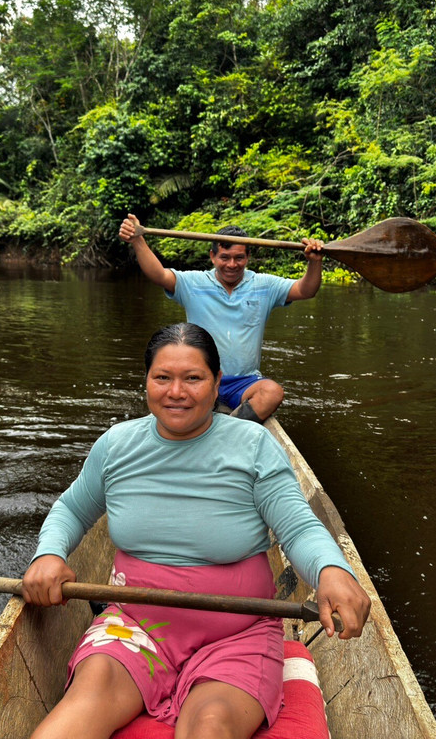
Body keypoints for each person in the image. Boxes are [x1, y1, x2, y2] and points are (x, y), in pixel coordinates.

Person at [22, 322, 371, 739]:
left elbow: (297, 528)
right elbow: (72, 510)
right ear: (146, 381)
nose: (176, 392)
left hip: (237, 632)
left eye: (193, 378)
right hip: (135, 624)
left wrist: (332, 570)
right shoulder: (116, 446)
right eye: (162, 377)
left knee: (210, 727)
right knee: (74, 716)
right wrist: (49, 554)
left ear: (217, 382)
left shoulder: (253, 446)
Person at [119, 213, 324, 423]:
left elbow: (305, 290)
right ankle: (216, 422)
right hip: (201, 378)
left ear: (248, 257)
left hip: (244, 381)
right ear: (213, 256)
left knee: (272, 392)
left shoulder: (264, 285)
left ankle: (229, 430)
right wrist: (138, 240)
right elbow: (158, 275)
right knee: (181, 396)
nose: (232, 264)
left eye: (239, 258)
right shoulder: (193, 283)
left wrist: (315, 262)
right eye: (225, 258)